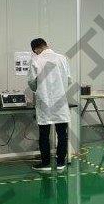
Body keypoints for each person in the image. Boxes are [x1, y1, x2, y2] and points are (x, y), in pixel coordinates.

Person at [27, 38, 71, 172]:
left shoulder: (36, 60)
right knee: (62, 133)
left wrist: (39, 89)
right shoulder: (62, 58)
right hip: (60, 101)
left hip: (44, 102)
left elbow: (31, 82)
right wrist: (60, 88)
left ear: (36, 49)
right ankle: (61, 163)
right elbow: (69, 79)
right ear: (46, 45)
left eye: (35, 51)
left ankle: (45, 163)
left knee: (44, 134)